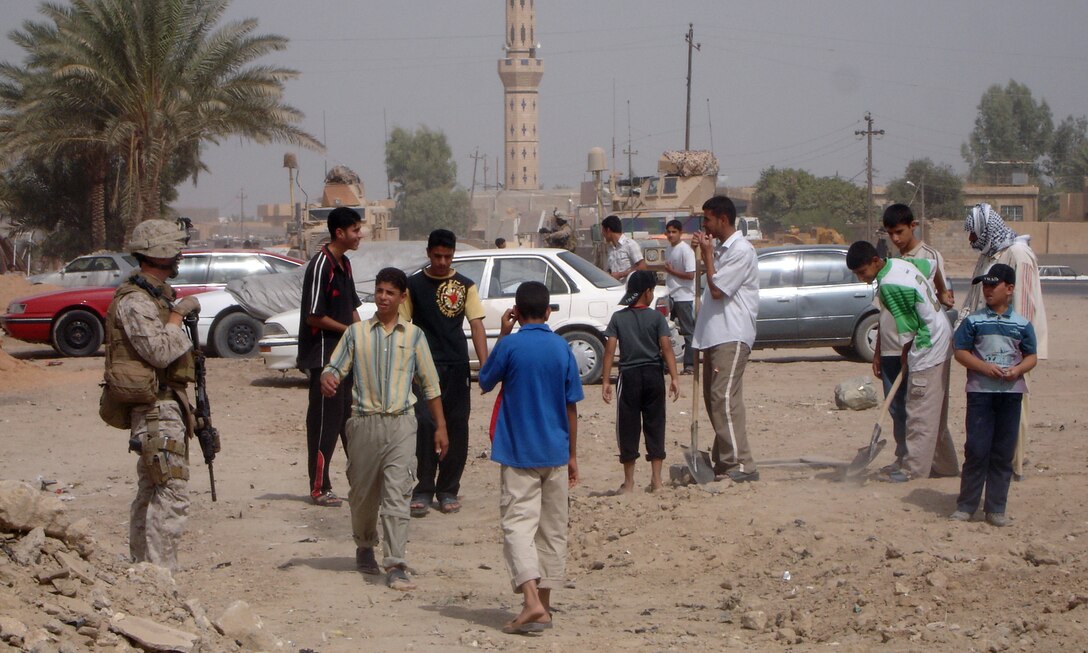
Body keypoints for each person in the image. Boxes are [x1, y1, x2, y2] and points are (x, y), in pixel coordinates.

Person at [321, 267, 448, 590]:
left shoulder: (414, 336)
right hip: (364, 424)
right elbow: (335, 367)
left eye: (390, 293)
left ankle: (395, 563)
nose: (383, 298)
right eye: (379, 291)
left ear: (402, 297)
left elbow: (430, 386)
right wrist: (328, 378)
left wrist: (440, 427)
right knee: (362, 496)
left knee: (397, 494)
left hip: (401, 424)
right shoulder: (356, 334)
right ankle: (365, 546)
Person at [477, 281, 583, 634]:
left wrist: (503, 334)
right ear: (549, 311)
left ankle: (532, 601)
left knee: (518, 526)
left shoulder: (510, 345)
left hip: (519, 451)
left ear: (517, 312)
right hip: (555, 450)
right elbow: (571, 407)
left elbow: (486, 379)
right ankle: (545, 607)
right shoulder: (562, 348)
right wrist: (572, 455)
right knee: (552, 530)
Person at [106, 219, 201, 570]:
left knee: (153, 490)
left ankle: (144, 572)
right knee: (171, 493)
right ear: (160, 254)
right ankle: (160, 576)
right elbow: (159, 352)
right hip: (154, 411)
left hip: (163, 407)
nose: (179, 256)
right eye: (174, 249)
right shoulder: (136, 302)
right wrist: (177, 316)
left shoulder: (154, 296)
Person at [847, 240, 959, 482]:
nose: (861, 279)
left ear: (875, 261)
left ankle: (913, 470)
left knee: (919, 412)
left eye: (863, 272)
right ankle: (946, 466)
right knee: (934, 413)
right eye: (856, 274)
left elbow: (906, 332)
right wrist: (940, 292)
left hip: (928, 346)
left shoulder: (889, 285)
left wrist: (907, 356)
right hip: (942, 337)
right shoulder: (900, 263)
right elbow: (932, 266)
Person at [403, 229, 487, 516]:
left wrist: (484, 365)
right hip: (423, 369)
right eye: (437, 256)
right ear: (428, 253)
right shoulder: (412, 285)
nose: (442, 261)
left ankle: (448, 489)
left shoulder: (466, 286)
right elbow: (404, 328)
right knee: (426, 426)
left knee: (457, 426)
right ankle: (424, 488)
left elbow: (476, 325)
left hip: (456, 367)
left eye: (447, 256)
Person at [961, 203, 1048, 479]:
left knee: (1014, 408)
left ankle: (1012, 465)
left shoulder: (1018, 254)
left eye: (973, 234)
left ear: (985, 230)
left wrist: (1018, 352)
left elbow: (1024, 306)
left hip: (1014, 348)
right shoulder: (989, 255)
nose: (971, 240)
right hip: (984, 346)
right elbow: (974, 299)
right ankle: (991, 462)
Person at [949, 264, 1037, 528]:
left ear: (1009, 289)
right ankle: (966, 506)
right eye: (985, 285)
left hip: (1010, 395)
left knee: (1002, 451)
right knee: (976, 449)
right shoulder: (974, 321)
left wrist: (1017, 370)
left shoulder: (1022, 325)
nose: (987, 289)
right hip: (980, 394)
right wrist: (985, 367)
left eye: (993, 284)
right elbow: (960, 351)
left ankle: (996, 508)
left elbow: (1031, 356)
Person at [876, 204, 956, 474]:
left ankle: (930, 465)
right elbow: (884, 311)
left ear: (913, 226)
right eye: (890, 234)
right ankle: (904, 457)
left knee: (923, 410)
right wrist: (877, 351)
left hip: (918, 350)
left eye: (899, 232)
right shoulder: (890, 261)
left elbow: (940, 299)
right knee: (898, 410)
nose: (895, 239)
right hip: (890, 347)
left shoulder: (929, 256)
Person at [690, 196, 761, 483]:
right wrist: (705, 254)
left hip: (732, 334)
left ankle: (741, 464)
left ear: (722, 219)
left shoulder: (742, 251)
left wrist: (707, 256)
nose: (704, 225)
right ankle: (724, 460)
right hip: (714, 335)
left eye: (707, 219)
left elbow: (718, 290)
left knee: (723, 398)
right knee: (716, 399)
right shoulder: (721, 250)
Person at [298, 207, 363, 507]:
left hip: (346, 357)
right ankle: (319, 487)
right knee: (324, 424)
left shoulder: (345, 265)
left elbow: (352, 307)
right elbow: (314, 316)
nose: (359, 235)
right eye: (355, 230)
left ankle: (360, 480)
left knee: (349, 422)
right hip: (324, 358)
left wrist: (362, 338)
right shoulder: (320, 265)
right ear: (340, 232)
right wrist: (348, 331)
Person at [601, 270, 680, 493]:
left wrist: (606, 381)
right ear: (647, 292)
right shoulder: (656, 318)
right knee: (655, 424)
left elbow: (609, 351)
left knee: (628, 427)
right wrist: (674, 377)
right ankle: (656, 480)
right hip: (654, 375)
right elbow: (666, 348)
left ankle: (629, 482)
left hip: (629, 377)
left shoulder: (618, 318)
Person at [663, 218, 697, 374]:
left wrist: (672, 272)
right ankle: (667, 364)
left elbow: (690, 275)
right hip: (670, 294)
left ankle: (689, 364)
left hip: (684, 296)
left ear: (680, 233)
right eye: (669, 232)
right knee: (666, 330)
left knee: (688, 331)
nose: (671, 235)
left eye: (674, 232)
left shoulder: (685, 250)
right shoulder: (669, 249)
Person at [601, 214, 646, 281]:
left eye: (603, 231)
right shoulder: (610, 248)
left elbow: (642, 267)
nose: (602, 234)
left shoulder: (630, 244)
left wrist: (620, 275)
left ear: (608, 230)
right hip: (615, 288)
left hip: (629, 288)